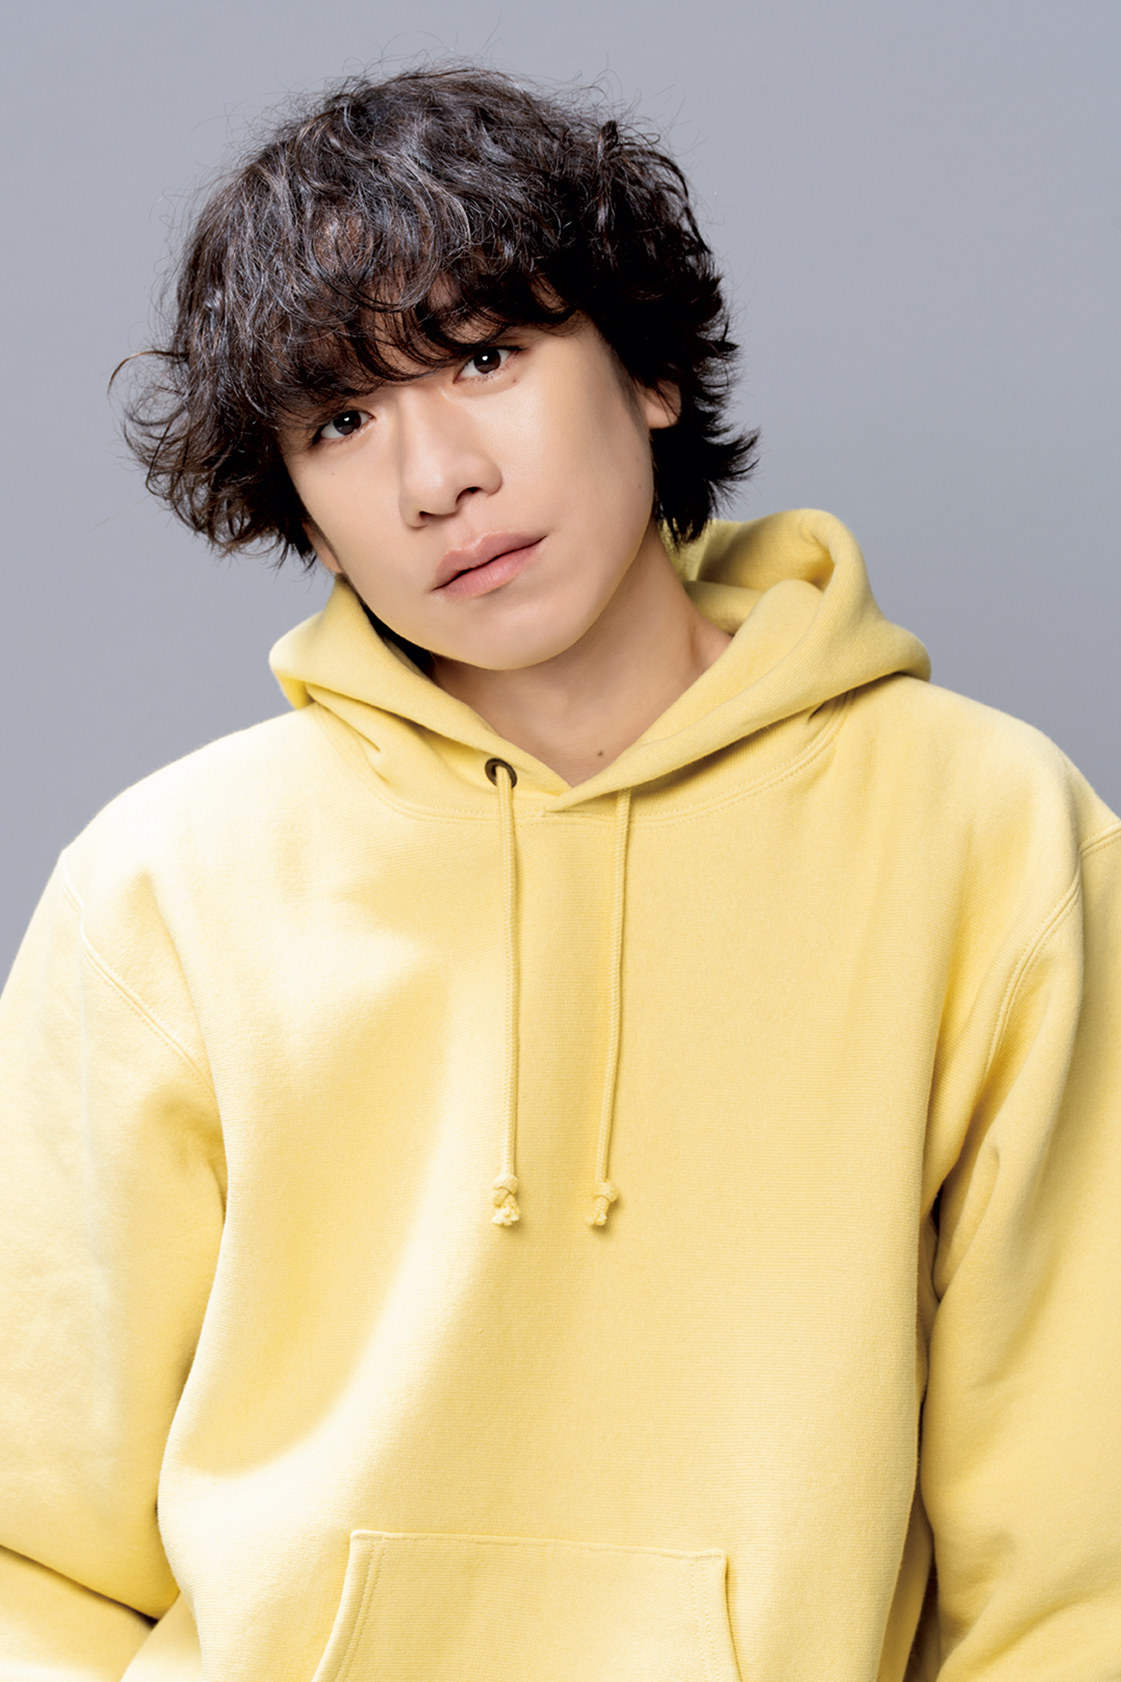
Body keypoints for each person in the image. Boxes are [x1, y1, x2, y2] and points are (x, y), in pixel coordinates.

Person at [1, 63, 1118, 1682]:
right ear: (297, 500)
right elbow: (30, 1543)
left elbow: (1077, 1569)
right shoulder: (163, 888)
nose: (435, 477)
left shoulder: (986, 834)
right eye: (341, 420)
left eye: (483, 354)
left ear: (649, 367)